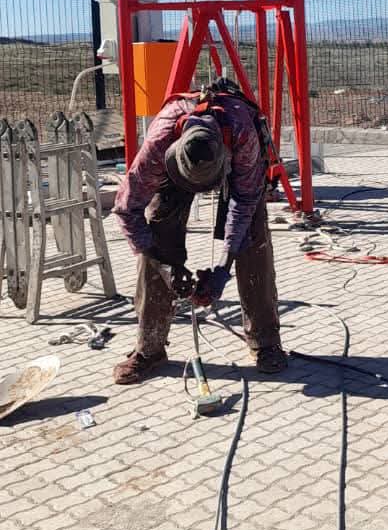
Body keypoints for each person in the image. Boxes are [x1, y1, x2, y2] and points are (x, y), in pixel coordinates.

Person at [111, 78, 288, 384]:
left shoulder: (243, 134)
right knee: (157, 231)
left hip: (236, 163)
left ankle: (266, 342)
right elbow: (127, 209)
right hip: (174, 170)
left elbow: (243, 203)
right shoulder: (160, 141)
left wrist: (223, 268)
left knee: (253, 242)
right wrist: (165, 266)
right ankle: (149, 348)